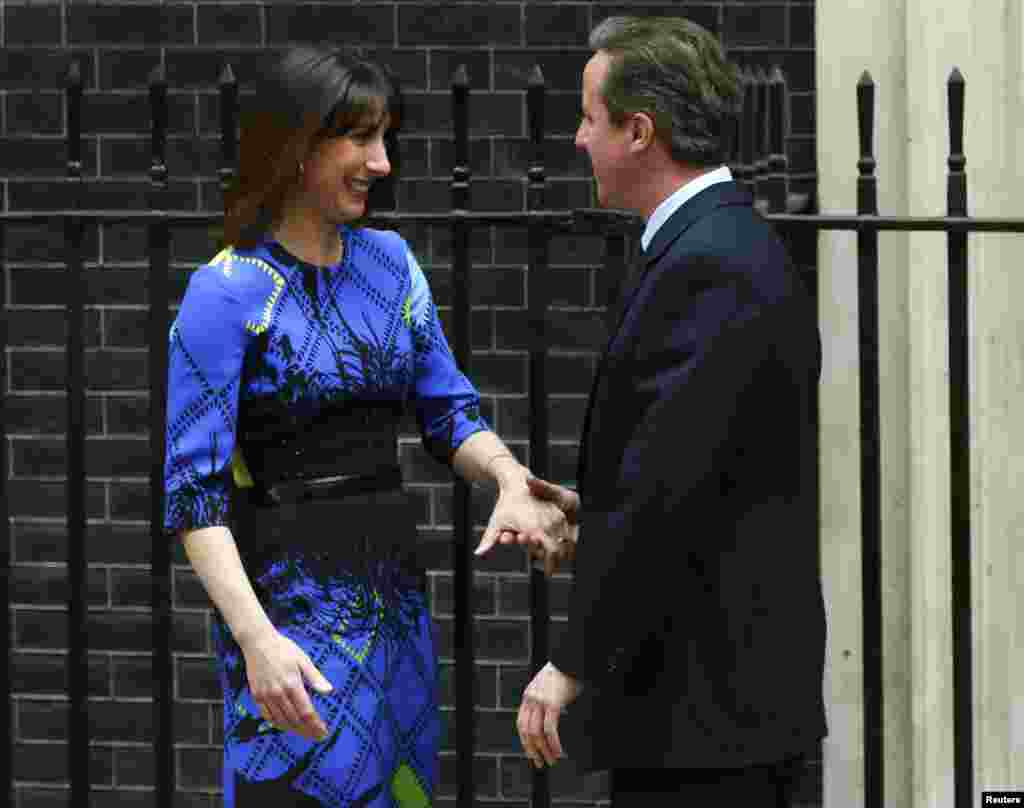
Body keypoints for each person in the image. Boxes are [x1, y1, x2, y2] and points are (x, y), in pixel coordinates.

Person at [163, 46, 570, 808]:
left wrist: (509, 477)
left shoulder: (391, 263)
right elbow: (194, 495)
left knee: (403, 790)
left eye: (385, 137)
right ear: (298, 143)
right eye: (359, 138)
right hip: (287, 614)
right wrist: (256, 640)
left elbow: (448, 411)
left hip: (394, 594)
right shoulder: (223, 293)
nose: (381, 162)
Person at [508, 16, 828, 807]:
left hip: (707, 716)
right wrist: (590, 519)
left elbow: (665, 493)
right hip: (717, 712)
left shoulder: (710, 263)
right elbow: (703, 474)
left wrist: (571, 662)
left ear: (639, 131)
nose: (579, 138)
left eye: (590, 117)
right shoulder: (713, 243)